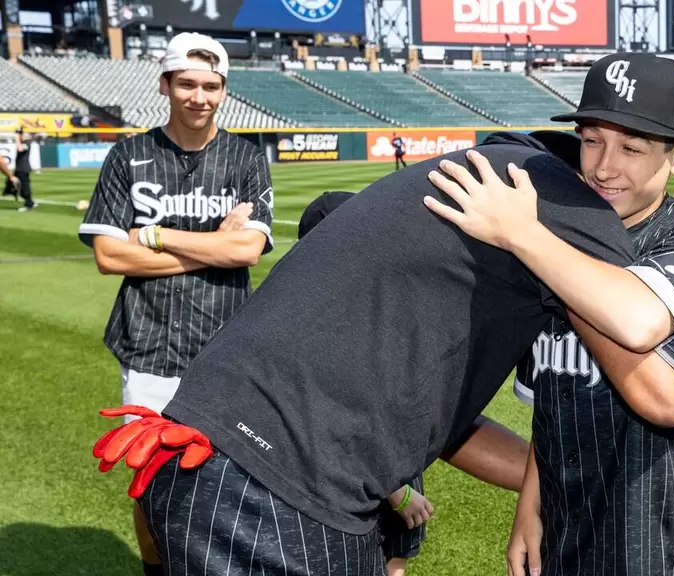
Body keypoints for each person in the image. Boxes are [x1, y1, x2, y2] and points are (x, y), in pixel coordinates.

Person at [92, 129, 634, 575]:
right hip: (275, 487)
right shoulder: (550, 205)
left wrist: (557, 483)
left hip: (205, 456)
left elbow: (448, 432)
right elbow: (655, 361)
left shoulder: (421, 246)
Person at [422, 52, 674, 576]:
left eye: (632, 147)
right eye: (591, 140)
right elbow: (550, 402)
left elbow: (655, 379)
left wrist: (526, 236)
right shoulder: (560, 226)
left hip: (643, 521)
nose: (605, 166)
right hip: (560, 516)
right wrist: (529, 506)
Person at [79, 32, 275, 576]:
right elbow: (108, 257)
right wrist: (213, 248)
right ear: (165, 84)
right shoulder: (129, 156)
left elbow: (247, 249)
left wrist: (154, 236)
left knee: (231, 477)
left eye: (211, 86)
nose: (199, 96)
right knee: (150, 479)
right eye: (186, 83)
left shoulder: (244, 159)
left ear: (224, 89)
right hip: (147, 342)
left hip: (228, 346)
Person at [298, 190, 436, 576]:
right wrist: (399, 491)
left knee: (393, 561)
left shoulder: (369, 305)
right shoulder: (329, 324)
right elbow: (339, 419)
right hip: (361, 483)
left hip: (388, 471)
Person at [11, 127, 35, 212]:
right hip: (20, 169)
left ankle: (28, 204)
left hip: (23, 169)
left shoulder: (27, 143)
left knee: (24, 188)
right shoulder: (23, 143)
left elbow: (20, 149)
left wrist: (17, 139)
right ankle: (30, 202)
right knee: (19, 188)